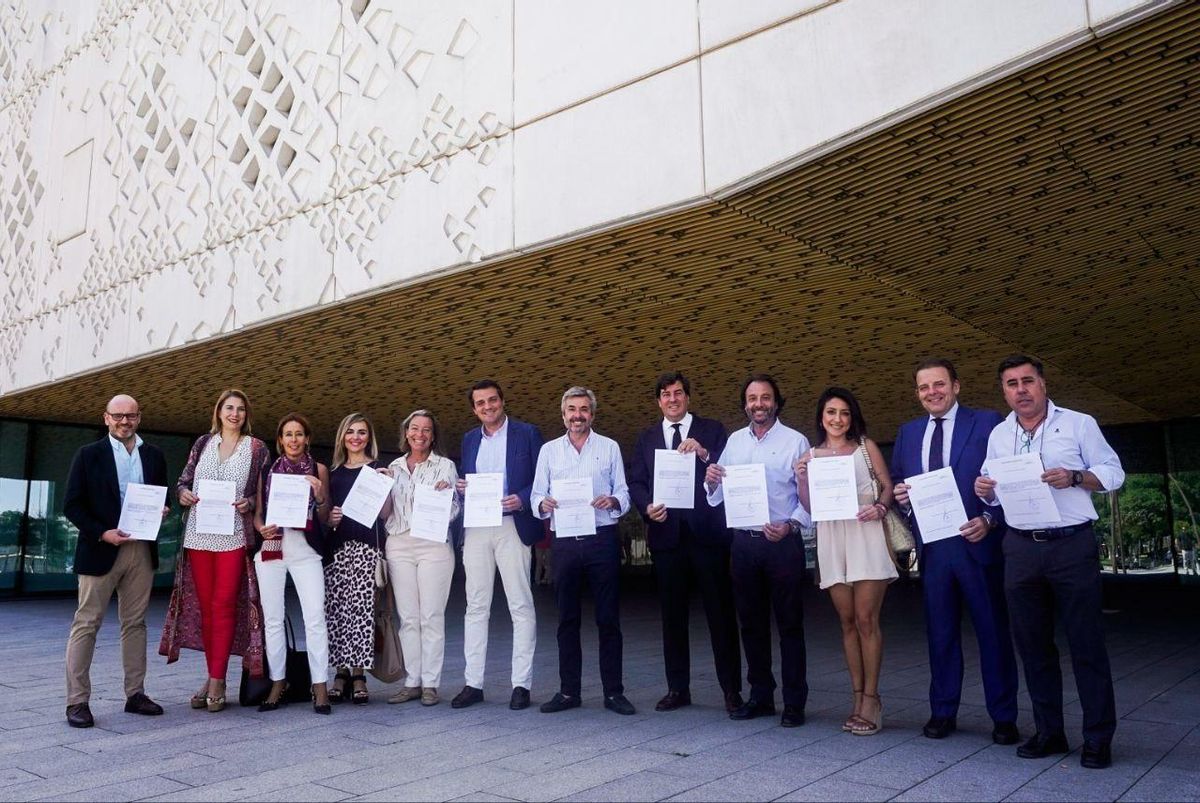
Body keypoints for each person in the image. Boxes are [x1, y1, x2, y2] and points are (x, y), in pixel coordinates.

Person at [975, 354, 1125, 769]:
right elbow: (992, 490)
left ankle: (1097, 738)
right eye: (1011, 384)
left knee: (1086, 644)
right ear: (1003, 391)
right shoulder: (999, 435)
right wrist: (983, 488)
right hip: (1020, 547)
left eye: (1027, 381)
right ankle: (1050, 732)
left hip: (1070, 545)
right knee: (1033, 646)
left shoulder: (1079, 423)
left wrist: (1076, 477)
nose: (1020, 390)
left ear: (1042, 384)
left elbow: (1114, 473)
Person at [890, 358, 1019, 744]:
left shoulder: (986, 422)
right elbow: (899, 481)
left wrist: (990, 519)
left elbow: (1005, 474)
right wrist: (902, 498)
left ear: (956, 386)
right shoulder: (908, 432)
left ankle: (1004, 717)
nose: (933, 392)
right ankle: (943, 711)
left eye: (939, 384)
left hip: (977, 542)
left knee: (992, 633)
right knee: (940, 634)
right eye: (924, 387)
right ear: (917, 393)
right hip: (934, 549)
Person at [628, 371, 742, 713]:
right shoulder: (647, 438)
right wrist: (647, 508)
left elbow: (729, 470)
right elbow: (636, 481)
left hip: (707, 536)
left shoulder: (713, 430)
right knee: (672, 616)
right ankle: (678, 688)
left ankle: (731, 690)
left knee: (720, 614)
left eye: (678, 393)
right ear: (658, 401)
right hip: (667, 537)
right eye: (665, 394)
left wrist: (705, 454)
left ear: (688, 397)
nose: (672, 399)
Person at [705, 374, 810, 728]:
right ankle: (761, 696)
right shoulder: (734, 442)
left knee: (790, 625)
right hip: (745, 544)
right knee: (750, 624)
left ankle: (795, 702)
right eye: (752, 398)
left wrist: (791, 524)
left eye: (765, 397)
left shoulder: (797, 442)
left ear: (776, 402)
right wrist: (711, 481)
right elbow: (719, 494)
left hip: (783, 543)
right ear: (745, 404)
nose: (758, 404)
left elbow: (808, 499)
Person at [160, 389, 270, 712]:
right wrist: (183, 494)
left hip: (233, 535)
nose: (234, 414)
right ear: (219, 412)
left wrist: (248, 503)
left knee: (223, 604)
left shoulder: (257, 448)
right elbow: (183, 482)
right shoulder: (202, 444)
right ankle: (212, 676)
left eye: (240, 409)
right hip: (199, 534)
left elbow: (263, 494)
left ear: (246, 415)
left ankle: (218, 680)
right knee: (208, 608)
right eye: (229, 408)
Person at [62, 394, 169, 728]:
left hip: (140, 549)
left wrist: (161, 512)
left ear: (139, 417)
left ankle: (135, 694)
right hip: (100, 548)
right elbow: (72, 505)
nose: (125, 421)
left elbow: (158, 497)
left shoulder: (154, 455)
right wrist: (101, 532)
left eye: (132, 416)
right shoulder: (88, 455)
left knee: (135, 623)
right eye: (118, 416)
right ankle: (77, 702)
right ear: (106, 417)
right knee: (87, 623)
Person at [796, 387, 896, 736]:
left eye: (844, 413)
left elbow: (887, 486)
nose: (838, 419)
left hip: (865, 535)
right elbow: (809, 508)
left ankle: (872, 700)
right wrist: (801, 477)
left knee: (867, 619)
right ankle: (856, 699)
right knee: (848, 621)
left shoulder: (865, 448)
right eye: (831, 413)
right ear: (821, 417)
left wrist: (881, 506)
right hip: (832, 540)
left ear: (851, 418)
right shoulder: (812, 455)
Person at [531, 386, 634, 715]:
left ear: (593, 413)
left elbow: (624, 492)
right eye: (572, 410)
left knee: (608, 619)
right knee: (567, 620)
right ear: (563, 415)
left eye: (584, 409)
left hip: (602, 537)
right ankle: (568, 692)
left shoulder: (610, 447)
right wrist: (542, 504)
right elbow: (535, 496)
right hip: (564, 542)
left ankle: (614, 693)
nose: (578, 415)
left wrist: (614, 500)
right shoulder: (548, 451)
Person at [452, 380, 543, 711]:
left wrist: (520, 498)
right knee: (475, 606)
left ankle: (521, 684)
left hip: (512, 525)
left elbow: (540, 478)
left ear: (503, 401)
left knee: (520, 604)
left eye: (492, 400)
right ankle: (473, 683)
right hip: (477, 527)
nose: (487, 406)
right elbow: (468, 477)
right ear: (474, 408)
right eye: (480, 403)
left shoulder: (527, 433)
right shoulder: (469, 439)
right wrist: (463, 487)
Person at [251, 413, 332, 714]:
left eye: (299, 434)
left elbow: (324, 518)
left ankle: (320, 685)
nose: (294, 440)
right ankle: (278, 682)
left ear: (307, 439)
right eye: (288, 434)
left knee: (315, 617)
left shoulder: (318, 469)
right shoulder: (267, 471)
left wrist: (320, 495)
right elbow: (259, 514)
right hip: (272, 549)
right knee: (272, 618)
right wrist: (261, 528)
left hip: (305, 550)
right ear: (280, 440)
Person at [384, 410, 460, 707]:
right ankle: (411, 681)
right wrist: (382, 489)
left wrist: (445, 496)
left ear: (433, 435)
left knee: (431, 616)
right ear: (406, 433)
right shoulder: (393, 467)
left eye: (426, 430)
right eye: (414, 429)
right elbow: (386, 513)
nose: (420, 434)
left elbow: (454, 511)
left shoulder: (445, 466)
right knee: (408, 618)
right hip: (399, 544)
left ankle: (431, 683)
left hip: (434, 546)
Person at [325, 413, 392, 704]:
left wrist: (387, 487)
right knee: (337, 611)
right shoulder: (334, 472)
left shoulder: (378, 470)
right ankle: (340, 673)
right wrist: (330, 517)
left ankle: (359, 674)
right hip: (338, 550)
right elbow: (324, 515)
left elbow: (387, 514)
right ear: (342, 436)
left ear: (369, 437)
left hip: (367, 548)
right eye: (350, 431)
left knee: (363, 611)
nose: (356, 437)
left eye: (362, 432)